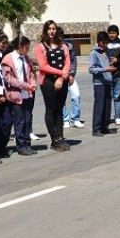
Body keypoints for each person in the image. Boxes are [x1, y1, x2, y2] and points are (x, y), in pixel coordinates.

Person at [34, 20, 72, 152]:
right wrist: (62, 73)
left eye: (53, 28)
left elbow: (68, 61)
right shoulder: (40, 46)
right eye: (49, 28)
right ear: (45, 30)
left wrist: (62, 78)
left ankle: (60, 137)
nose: (52, 31)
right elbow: (43, 66)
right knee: (51, 109)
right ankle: (54, 139)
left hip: (62, 80)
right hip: (48, 82)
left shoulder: (63, 45)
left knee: (59, 109)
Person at [2, 36, 37, 156]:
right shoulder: (8, 58)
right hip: (16, 95)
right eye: (26, 47)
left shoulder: (26, 58)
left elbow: (31, 73)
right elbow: (8, 78)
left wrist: (32, 84)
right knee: (19, 121)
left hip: (27, 94)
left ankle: (28, 144)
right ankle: (21, 146)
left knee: (28, 120)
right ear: (20, 46)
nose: (28, 49)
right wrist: (25, 85)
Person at [89, 31, 116, 136]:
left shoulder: (107, 51)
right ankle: (96, 129)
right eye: (104, 43)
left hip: (108, 81)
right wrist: (105, 69)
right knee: (99, 106)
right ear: (99, 42)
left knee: (107, 106)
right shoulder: (94, 53)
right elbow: (91, 69)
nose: (106, 45)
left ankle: (105, 127)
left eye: (107, 43)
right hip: (99, 83)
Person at [59, 27, 83, 129]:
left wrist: (72, 74)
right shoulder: (52, 48)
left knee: (76, 95)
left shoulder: (69, 46)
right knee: (61, 100)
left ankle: (75, 119)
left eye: (61, 35)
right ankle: (65, 119)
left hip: (70, 76)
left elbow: (73, 61)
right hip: (59, 77)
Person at [106, 24, 120, 125]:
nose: (112, 35)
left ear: (117, 33)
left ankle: (118, 117)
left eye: (113, 33)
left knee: (117, 96)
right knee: (108, 97)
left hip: (119, 73)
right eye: (110, 33)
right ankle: (107, 117)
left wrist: (117, 61)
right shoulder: (105, 44)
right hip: (107, 74)